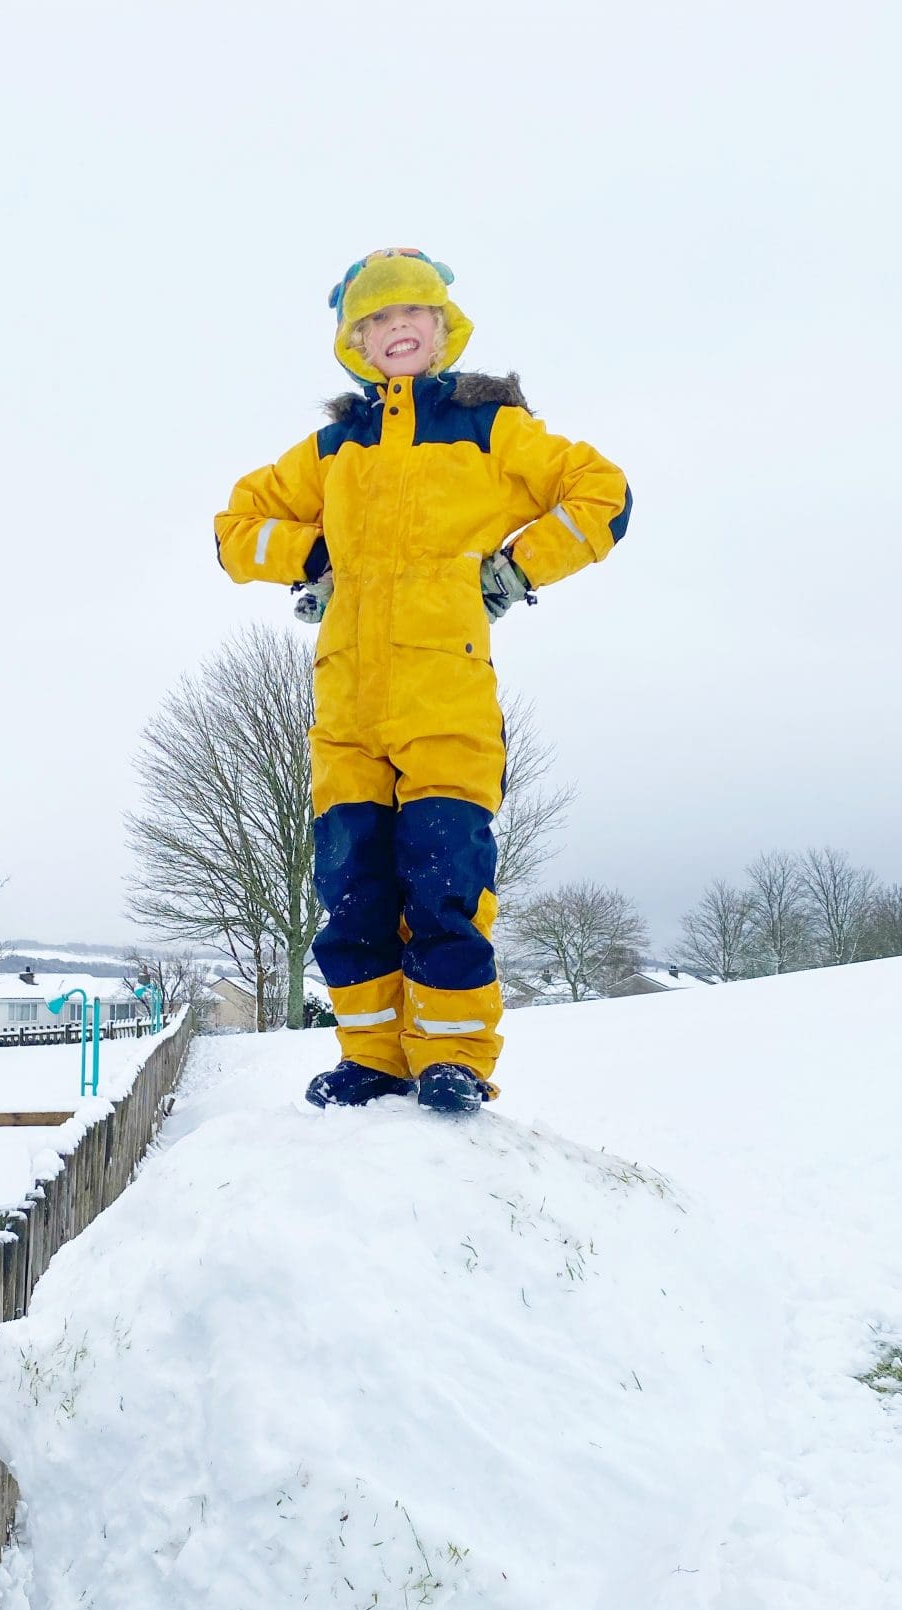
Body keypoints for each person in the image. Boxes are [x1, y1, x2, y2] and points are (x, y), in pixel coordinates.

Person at [214, 247, 631, 1114]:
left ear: (443, 330)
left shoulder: (489, 428)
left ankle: (453, 1056)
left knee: (445, 882)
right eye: (376, 319)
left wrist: (516, 568)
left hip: (446, 699)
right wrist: (311, 550)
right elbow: (234, 529)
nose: (397, 328)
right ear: (355, 343)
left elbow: (603, 494)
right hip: (346, 712)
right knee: (353, 893)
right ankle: (372, 1057)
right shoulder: (332, 450)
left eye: (415, 314)